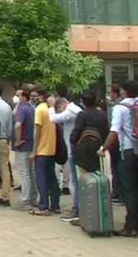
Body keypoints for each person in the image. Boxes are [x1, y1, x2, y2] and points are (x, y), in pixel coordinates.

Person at [99, 80, 138, 237]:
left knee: (129, 190)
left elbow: (114, 131)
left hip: (128, 153)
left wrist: (103, 148)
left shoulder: (120, 107)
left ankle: (131, 226)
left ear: (124, 91)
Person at [49, 88, 83, 222]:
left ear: (62, 105)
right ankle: (78, 207)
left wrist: (51, 107)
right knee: (77, 180)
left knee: (76, 181)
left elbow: (54, 119)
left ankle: (76, 208)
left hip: (74, 149)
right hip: (77, 148)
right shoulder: (76, 109)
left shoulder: (71, 111)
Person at [31, 88, 59, 216]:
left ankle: (43, 206)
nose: (34, 98)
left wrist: (34, 151)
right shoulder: (51, 110)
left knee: (41, 179)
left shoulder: (39, 109)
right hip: (52, 149)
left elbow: (37, 132)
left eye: (35, 96)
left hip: (42, 150)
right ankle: (55, 205)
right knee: (52, 178)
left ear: (41, 97)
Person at [12, 89, 37, 211]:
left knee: (24, 173)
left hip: (23, 145)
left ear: (24, 97)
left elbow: (17, 125)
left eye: (18, 96)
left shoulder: (22, 109)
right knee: (31, 172)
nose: (16, 97)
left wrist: (17, 140)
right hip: (32, 143)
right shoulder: (32, 108)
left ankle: (25, 199)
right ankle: (33, 197)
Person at [108, 83, 124, 204]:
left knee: (117, 167)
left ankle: (118, 192)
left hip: (117, 140)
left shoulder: (117, 107)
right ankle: (118, 191)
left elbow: (113, 127)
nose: (109, 95)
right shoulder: (123, 105)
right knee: (118, 167)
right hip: (121, 141)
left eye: (110, 93)